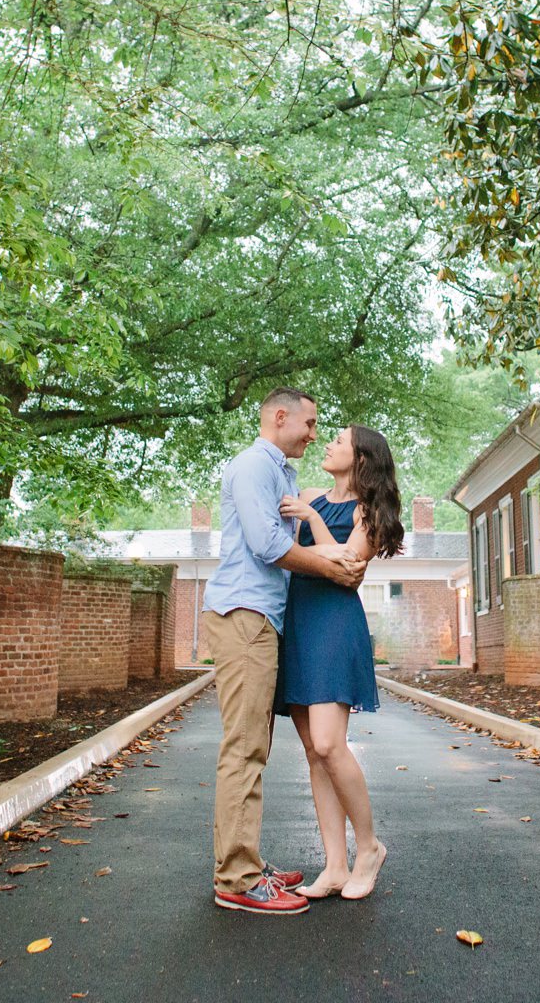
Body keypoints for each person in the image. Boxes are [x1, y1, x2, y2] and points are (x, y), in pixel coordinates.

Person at [205, 387, 365, 917]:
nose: (315, 433)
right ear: (280, 417)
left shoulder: (283, 474)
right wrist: (333, 567)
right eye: (311, 423)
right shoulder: (253, 467)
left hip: (263, 619)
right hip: (244, 615)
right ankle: (236, 878)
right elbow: (269, 546)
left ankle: (244, 861)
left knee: (255, 747)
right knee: (245, 748)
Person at [275, 424, 405, 901]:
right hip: (300, 623)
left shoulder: (368, 513)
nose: (327, 444)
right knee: (313, 753)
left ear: (361, 459)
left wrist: (312, 519)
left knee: (330, 744)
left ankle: (368, 847)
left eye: (338, 440)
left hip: (334, 625)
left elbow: (347, 570)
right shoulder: (307, 491)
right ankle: (333, 865)